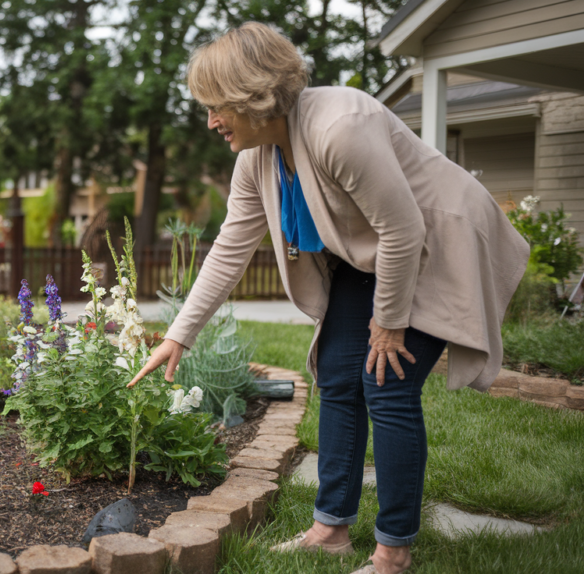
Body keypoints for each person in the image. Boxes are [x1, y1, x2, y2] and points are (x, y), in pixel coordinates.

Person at [128, 22, 528, 574]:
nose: (212, 121)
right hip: (372, 257)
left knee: (384, 383)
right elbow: (230, 249)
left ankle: (393, 551)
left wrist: (388, 323)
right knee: (338, 377)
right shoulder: (257, 158)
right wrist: (179, 335)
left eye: (218, 106)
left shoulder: (340, 127)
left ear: (254, 96)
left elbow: (405, 231)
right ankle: (330, 529)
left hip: (437, 245)